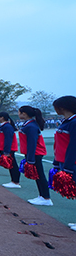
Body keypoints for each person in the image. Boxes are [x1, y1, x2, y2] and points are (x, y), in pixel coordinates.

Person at [18, 106, 51, 206]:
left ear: (24, 114)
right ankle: (42, 196)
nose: (18, 114)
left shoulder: (31, 126)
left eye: (19, 113)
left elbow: (32, 143)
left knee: (40, 174)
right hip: (32, 153)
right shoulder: (28, 124)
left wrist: (30, 159)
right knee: (37, 175)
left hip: (35, 153)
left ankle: (46, 197)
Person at [52, 96, 76, 230]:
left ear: (62, 107)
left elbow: (73, 145)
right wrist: (57, 162)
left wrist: (68, 167)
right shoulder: (66, 122)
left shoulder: (74, 122)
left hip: (72, 162)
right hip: (63, 161)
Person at [0, 112, 21, 189]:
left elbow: (8, 139)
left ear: (2, 117)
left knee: (12, 164)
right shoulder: (3, 126)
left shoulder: (7, 126)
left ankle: (15, 181)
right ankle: (13, 180)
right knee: (10, 165)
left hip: (8, 149)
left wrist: (7, 151)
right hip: (4, 148)